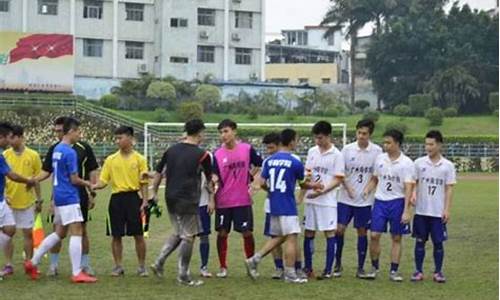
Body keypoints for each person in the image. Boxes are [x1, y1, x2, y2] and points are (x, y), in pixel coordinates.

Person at [24, 118, 96, 283]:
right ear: (70, 131)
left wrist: (32, 180)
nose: (79, 134)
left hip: (58, 196)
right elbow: (74, 179)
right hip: (70, 196)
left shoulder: (57, 149)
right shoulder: (69, 152)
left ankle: (33, 262)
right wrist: (89, 184)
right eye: (77, 131)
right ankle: (77, 272)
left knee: (59, 233)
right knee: (77, 231)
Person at [245, 129, 321, 284]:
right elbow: (302, 183)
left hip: (273, 204)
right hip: (287, 204)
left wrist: (268, 190)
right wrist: (315, 185)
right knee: (291, 238)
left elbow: (262, 182)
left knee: (279, 237)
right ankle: (291, 274)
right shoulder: (295, 162)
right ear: (292, 141)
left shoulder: (270, 161)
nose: (297, 143)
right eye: (296, 140)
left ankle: (254, 259)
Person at [149, 119, 213, 286]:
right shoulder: (203, 155)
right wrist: (212, 196)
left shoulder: (171, 150)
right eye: (203, 133)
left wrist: (153, 191)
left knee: (178, 232)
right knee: (188, 236)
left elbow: (158, 172)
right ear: (199, 133)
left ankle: (159, 262)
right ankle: (183, 275)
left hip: (170, 196)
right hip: (188, 198)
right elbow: (209, 180)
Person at [92, 126, 149, 277]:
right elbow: (103, 181)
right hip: (116, 199)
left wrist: (144, 201)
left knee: (138, 234)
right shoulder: (111, 159)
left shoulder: (140, 159)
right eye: (116, 138)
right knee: (116, 235)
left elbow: (143, 182)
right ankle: (118, 266)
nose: (117, 141)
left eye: (120, 138)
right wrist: (92, 186)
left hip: (133, 199)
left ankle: (142, 266)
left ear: (130, 138)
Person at [212, 119, 263, 278]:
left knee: (247, 232)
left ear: (234, 131)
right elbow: (214, 176)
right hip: (223, 200)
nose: (223, 135)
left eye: (226, 131)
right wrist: (213, 182)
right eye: (221, 132)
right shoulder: (217, 154)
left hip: (242, 200)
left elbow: (260, 164)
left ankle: (251, 264)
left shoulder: (247, 149)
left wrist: (253, 178)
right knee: (222, 233)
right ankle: (222, 267)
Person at [363, 129, 415, 282]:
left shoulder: (406, 163)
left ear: (397, 144)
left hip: (397, 202)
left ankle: (394, 270)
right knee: (374, 235)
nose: (385, 145)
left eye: (388, 142)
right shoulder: (380, 159)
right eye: (384, 142)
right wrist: (367, 189)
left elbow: (408, 188)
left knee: (396, 237)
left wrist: (406, 210)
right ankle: (374, 267)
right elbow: (375, 179)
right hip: (380, 202)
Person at [336, 119, 382, 278]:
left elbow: (376, 176)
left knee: (362, 231)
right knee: (339, 229)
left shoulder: (377, 151)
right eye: (359, 133)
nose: (361, 136)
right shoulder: (347, 150)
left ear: (370, 134)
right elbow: (340, 173)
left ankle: (360, 267)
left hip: (364, 201)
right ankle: (337, 264)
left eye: (365, 133)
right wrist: (348, 189)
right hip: (345, 198)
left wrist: (367, 190)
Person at [411, 130, 456, 283]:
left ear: (439, 145)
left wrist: (447, 209)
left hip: (437, 212)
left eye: (431, 144)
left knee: (438, 243)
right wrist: (413, 194)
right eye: (426, 144)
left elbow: (449, 188)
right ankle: (418, 271)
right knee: (419, 241)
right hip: (421, 211)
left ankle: (438, 272)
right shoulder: (418, 163)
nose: (428, 147)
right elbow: (414, 182)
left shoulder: (447, 166)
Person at [302, 121, 345, 280]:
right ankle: (308, 268)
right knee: (308, 232)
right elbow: (308, 173)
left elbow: (338, 179)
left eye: (320, 138)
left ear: (328, 136)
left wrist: (321, 192)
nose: (317, 141)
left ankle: (328, 270)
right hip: (310, 200)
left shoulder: (337, 155)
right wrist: (305, 191)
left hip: (327, 201)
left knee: (329, 232)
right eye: (315, 138)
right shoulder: (312, 151)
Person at [2, 125, 43, 276]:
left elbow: (37, 178)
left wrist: (39, 199)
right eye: (9, 137)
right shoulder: (5, 154)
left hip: (27, 201)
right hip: (9, 201)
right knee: (8, 233)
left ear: (20, 137)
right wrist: (4, 194)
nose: (10, 140)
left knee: (27, 234)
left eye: (12, 137)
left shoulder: (33, 155)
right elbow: (5, 177)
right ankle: (8, 264)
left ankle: (29, 263)